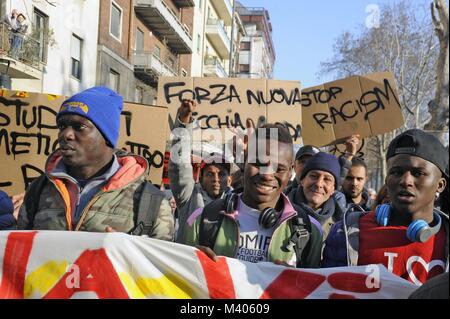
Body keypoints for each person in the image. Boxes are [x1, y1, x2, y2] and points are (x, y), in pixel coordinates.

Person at [17, 87, 174, 240]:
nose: (66, 135)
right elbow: (20, 256)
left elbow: (161, 265)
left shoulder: (151, 203)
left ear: (106, 136)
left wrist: (128, 255)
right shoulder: (38, 190)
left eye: (80, 127)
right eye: (62, 126)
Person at [180, 124, 323, 268]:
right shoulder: (203, 220)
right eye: (258, 163)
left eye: (279, 168)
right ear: (244, 162)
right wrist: (191, 265)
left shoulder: (309, 230)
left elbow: (316, 288)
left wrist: (295, 283)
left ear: (290, 171)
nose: (267, 175)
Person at [322, 129, 448, 286]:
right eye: (396, 172)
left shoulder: (445, 238)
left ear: (440, 185)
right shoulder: (347, 232)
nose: (405, 181)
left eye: (418, 173)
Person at [169, 99, 232, 242]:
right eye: (210, 174)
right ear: (200, 178)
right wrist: (183, 123)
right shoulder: (189, 197)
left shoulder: (236, 204)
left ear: (229, 180)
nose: (216, 179)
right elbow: (180, 164)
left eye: (221, 174)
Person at [286, 152, 344, 241]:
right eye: (314, 176)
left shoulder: (340, 226)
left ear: (333, 189)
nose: (319, 184)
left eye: (327, 179)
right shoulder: (281, 210)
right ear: (302, 180)